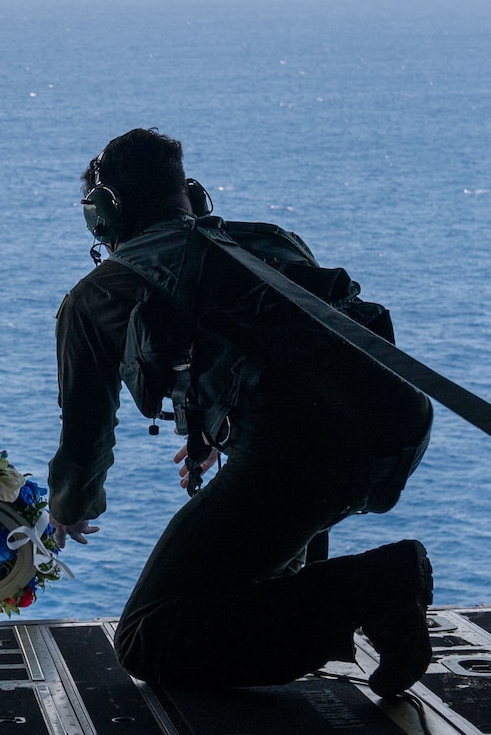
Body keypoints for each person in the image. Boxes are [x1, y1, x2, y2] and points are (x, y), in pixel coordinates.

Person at [48, 129, 437, 696]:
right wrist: (211, 434)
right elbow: (278, 352)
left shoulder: (97, 295)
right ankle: (375, 605)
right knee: (268, 568)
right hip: (395, 425)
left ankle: (379, 583)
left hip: (298, 454)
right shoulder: (271, 241)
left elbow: (86, 433)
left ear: (103, 214)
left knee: (147, 637)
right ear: (190, 194)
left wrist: (71, 506)